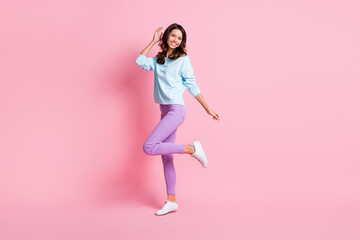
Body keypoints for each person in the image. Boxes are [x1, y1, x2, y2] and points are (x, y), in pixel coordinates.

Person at [135, 23, 220, 216]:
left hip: (176, 110)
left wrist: (208, 109)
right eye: (173, 36)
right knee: (166, 158)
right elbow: (139, 61)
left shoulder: (183, 60)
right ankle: (171, 201)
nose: (175, 40)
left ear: (182, 42)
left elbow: (192, 86)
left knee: (149, 147)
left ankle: (192, 149)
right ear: (166, 37)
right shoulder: (158, 60)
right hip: (165, 111)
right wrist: (153, 40)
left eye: (179, 38)